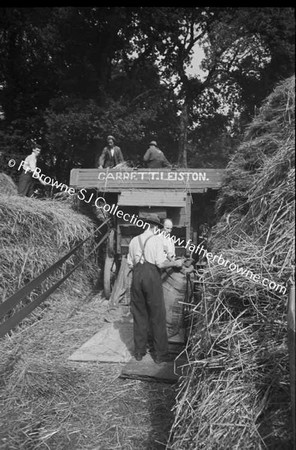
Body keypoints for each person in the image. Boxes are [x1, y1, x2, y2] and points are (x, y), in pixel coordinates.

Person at [127, 214, 184, 364]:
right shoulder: (157, 240)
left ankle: (139, 352)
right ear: (155, 227)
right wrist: (175, 263)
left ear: (146, 225)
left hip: (137, 277)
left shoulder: (133, 241)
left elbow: (130, 264)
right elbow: (160, 263)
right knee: (157, 315)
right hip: (151, 276)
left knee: (139, 314)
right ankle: (160, 355)